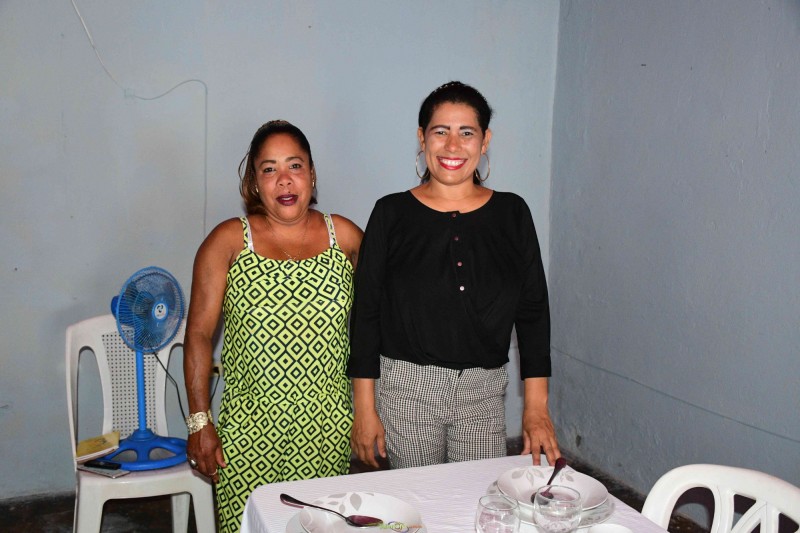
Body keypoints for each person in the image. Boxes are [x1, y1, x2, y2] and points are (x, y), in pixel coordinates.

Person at [347, 81, 561, 471]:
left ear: (485, 141)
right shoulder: (391, 214)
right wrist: (364, 409)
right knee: (417, 501)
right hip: (407, 391)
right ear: (421, 138)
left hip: (483, 393)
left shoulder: (512, 214)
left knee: (477, 499)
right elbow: (366, 316)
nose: (452, 145)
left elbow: (533, 312)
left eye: (466, 132)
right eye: (440, 131)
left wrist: (536, 407)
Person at [183, 120, 363, 532]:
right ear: (254, 183)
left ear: (312, 174)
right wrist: (199, 422)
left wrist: (369, 410)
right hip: (247, 434)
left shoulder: (346, 237)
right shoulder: (229, 241)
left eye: (294, 165)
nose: (284, 179)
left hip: (326, 429)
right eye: (269, 169)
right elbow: (198, 335)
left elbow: (379, 321)